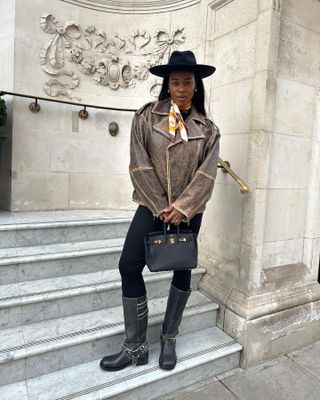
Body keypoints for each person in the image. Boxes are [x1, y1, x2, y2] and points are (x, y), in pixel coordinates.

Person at [100, 50, 220, 372]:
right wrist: (160, 206)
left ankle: (169, 338)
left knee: (182, 270)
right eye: (176, 82)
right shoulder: (145, 117)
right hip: (151, 207)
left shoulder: (208, 129)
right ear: (167, 84)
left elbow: (207, 175)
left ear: (197, 86)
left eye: (187, 82)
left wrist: (182, 208)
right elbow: (138, 163)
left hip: (189, 212)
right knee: (128, 265)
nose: (181, 88)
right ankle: (136, 347)